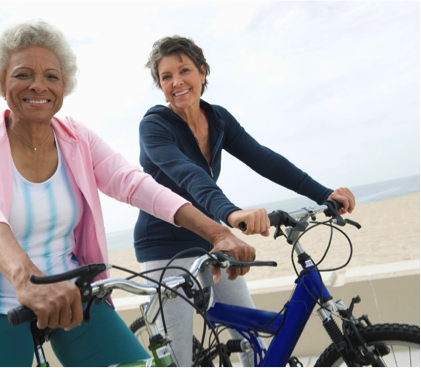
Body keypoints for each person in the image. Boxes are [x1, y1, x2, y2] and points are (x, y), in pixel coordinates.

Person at [0, 21, 256, 368]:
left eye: (51, 76)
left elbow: (135, 184)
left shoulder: (76, 138)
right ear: (2, 81)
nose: (39, 85)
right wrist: (27, 279)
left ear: (64, 85)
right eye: (23, 74)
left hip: (75, 297)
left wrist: (218, 233)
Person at [135, 35, 357, 368]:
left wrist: (324, 194)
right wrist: (232, 213)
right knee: (178, 359)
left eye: (185, 71)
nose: (177, 82)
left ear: (203, 72)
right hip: (166, 247)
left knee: (254, 337)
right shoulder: (154, 127)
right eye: (166, 77)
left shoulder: (218, 119)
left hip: (212, 240)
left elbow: (264, 159)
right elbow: (189, 175)